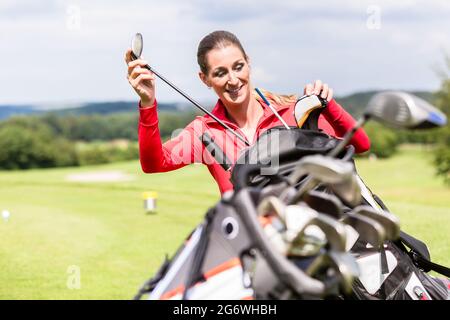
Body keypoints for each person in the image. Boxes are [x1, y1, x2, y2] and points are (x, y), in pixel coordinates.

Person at [125, 30, 370, 195]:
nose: (233, 80)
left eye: (238, 67)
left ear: (248, 63)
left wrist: (330, 105)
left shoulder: (291, 112)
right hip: (252, 252)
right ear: (205, 79)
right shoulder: (203, 132)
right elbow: (154, 164)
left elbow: (360, 144)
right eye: (220, 73)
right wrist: (148, 103)